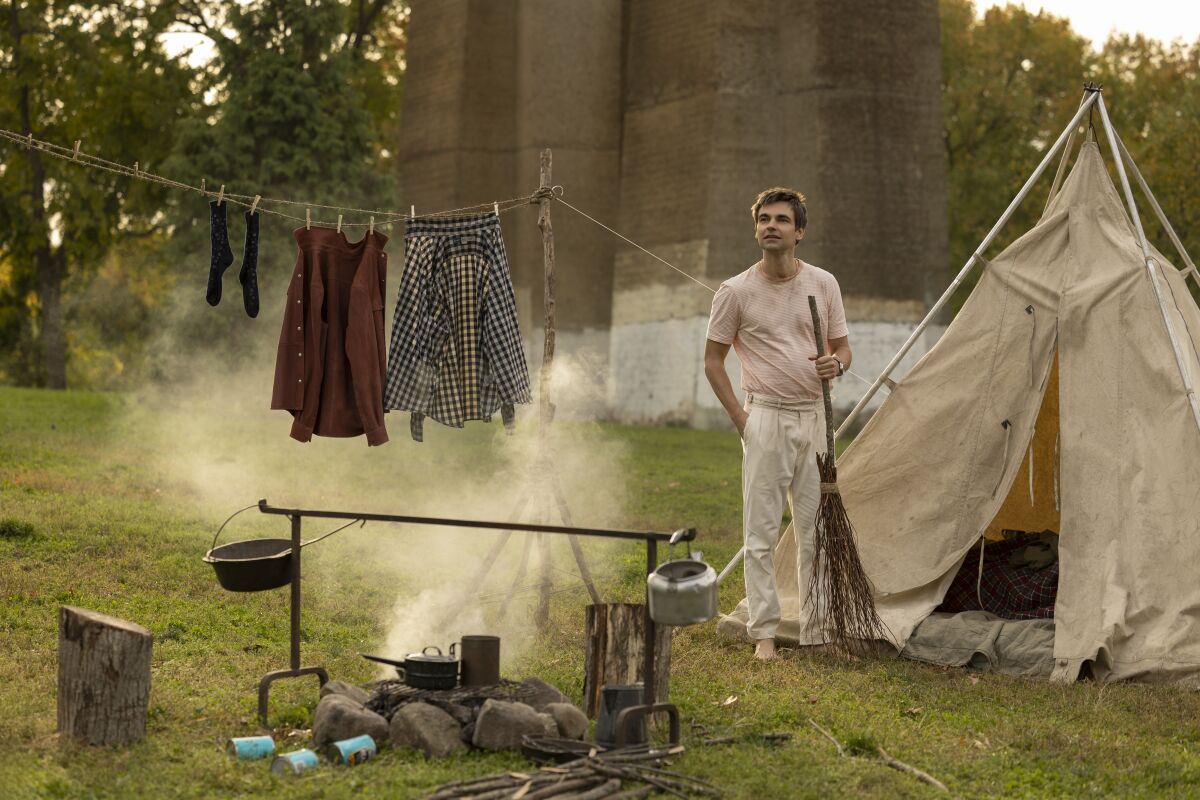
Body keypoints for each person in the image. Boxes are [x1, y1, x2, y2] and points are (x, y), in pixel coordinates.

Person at [704, 187, 851, 661]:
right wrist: (741, 419)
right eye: (764, 219)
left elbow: (842, 348)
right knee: (762, 532)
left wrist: (837, 365)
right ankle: (764, 633)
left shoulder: (823, 284)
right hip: (764, 415)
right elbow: (712, 361)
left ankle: (819, 630)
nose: (771, 225)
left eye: (782, 220)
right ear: (756, 229)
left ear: (799, 231)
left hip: (814, 417)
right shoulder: (736, 291)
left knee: (816, 531)